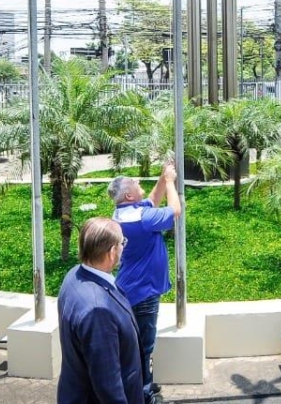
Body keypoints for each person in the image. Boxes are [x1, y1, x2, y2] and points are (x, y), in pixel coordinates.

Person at [110, 162, 182, 402]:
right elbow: (175, 210)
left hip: (131, 288)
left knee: (136, 344)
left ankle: (144, 384)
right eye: (136, 183)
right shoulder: (143, 219)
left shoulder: (126, 212)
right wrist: (171, 182)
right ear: (129, 195)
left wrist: (162, 179)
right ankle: (143, 394)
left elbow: (152, 200)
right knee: (144, 346)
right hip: (143, 293)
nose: (140, 183)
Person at [57, 217, 144, 404]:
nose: (123, 247)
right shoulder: (98, 311)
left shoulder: (73, 276)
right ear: (112, 252)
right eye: (122, 242)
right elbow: (107, 383)